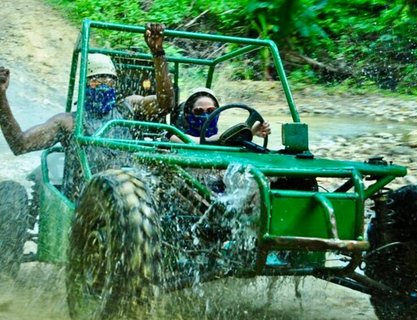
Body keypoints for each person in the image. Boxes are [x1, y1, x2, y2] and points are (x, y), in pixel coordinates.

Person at [0, 23, 173, 200]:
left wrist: (157, 52)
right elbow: (20, 144)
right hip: (82, 205)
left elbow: (164, 104)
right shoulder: (68, 122)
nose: (104, 84)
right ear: (85, 84)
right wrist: (1, 97)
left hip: (126, 202)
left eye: (109, 80)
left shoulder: (127, 108)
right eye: (97, 80)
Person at [170, 87, 271, 144]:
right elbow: (206, 141)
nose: (206, 116)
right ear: (189, 114)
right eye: (199, 111)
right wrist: (249, 131)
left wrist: (255, 129)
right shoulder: (176, 137)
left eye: (211, 110)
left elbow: (226, 138)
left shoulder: (217, 136)